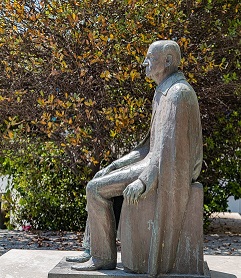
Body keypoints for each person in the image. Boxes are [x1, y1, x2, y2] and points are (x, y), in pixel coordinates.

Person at [71, 40, 203, 273]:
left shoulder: (178, 94)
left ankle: (102, 257)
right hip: (152, 161)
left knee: (94, 189)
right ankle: (91, 248)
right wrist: (115, 164)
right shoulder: (164, 90)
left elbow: (170, 154)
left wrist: (144, 181)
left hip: (164, 168)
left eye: (149, 58)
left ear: (168, 61)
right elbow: (150, 146)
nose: (144, 63)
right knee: (102, 174)